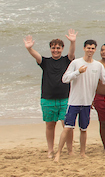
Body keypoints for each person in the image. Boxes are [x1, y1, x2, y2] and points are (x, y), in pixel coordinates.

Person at [56, 39, 105, 160]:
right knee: (67, 128)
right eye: (88, 48)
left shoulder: (98, 65)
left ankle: (82, 153)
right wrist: (78, 72)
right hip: (74, 102)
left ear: (95, 50)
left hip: (87, 103)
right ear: (84, 48)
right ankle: (58, 153)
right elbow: (64, 79)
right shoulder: (76, 63)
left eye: (92, 48)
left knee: (84, 129)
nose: (90, 50)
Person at [24, 31, 77, 159]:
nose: (55, 50)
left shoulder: (67, 61)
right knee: (50, 125)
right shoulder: (45, 62)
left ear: (62, 49)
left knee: (67, 125)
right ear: (50, 49)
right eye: (53, 48)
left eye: (58, 48)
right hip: (47, 99)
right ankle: (50, 150)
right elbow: (36, 56)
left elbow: (71, 54)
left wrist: (73, 41)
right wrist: (29, 48)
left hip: (65, 98)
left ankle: (70, 150)